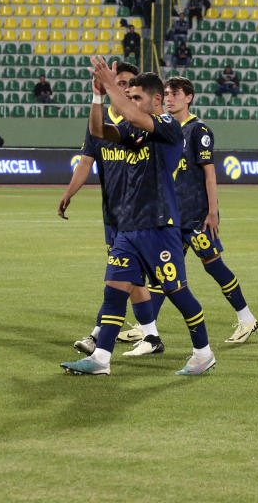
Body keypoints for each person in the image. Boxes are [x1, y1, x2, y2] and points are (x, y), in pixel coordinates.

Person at [60, 59, 215, 376]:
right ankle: (101, 358)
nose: (131, 104)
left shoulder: (169, 129)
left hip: (158, 225)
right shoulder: (136, 131)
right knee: (114, 287)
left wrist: (111, 85)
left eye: (137, 98)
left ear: (156, 100)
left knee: (177, 291)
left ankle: (203, 352)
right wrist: (98, 97)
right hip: (128, 227)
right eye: (129, 98)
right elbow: (98, 130)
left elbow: (130, 115)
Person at [129, 75, 258, 350]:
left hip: (196, 216)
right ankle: (147, 330)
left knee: (213, 265)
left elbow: (209, 173)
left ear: (188, 97)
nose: (169, 97)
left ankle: (246, 318)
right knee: (162, 273)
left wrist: (213, 211)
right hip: (172, 217)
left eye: (175, 93)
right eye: (166, 93)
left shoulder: (198, 130)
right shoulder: (164, 128)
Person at [63, 64, 159, 355]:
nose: (124, 89)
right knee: (129, 278)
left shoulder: (144, 123)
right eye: (118, 83)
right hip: (113, 213)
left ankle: (98, 337)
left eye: (128, 84)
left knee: (121, 276)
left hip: (141, 215)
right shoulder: (102, 122)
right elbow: (86, 160)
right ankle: (151, 337)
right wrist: (69, 193)